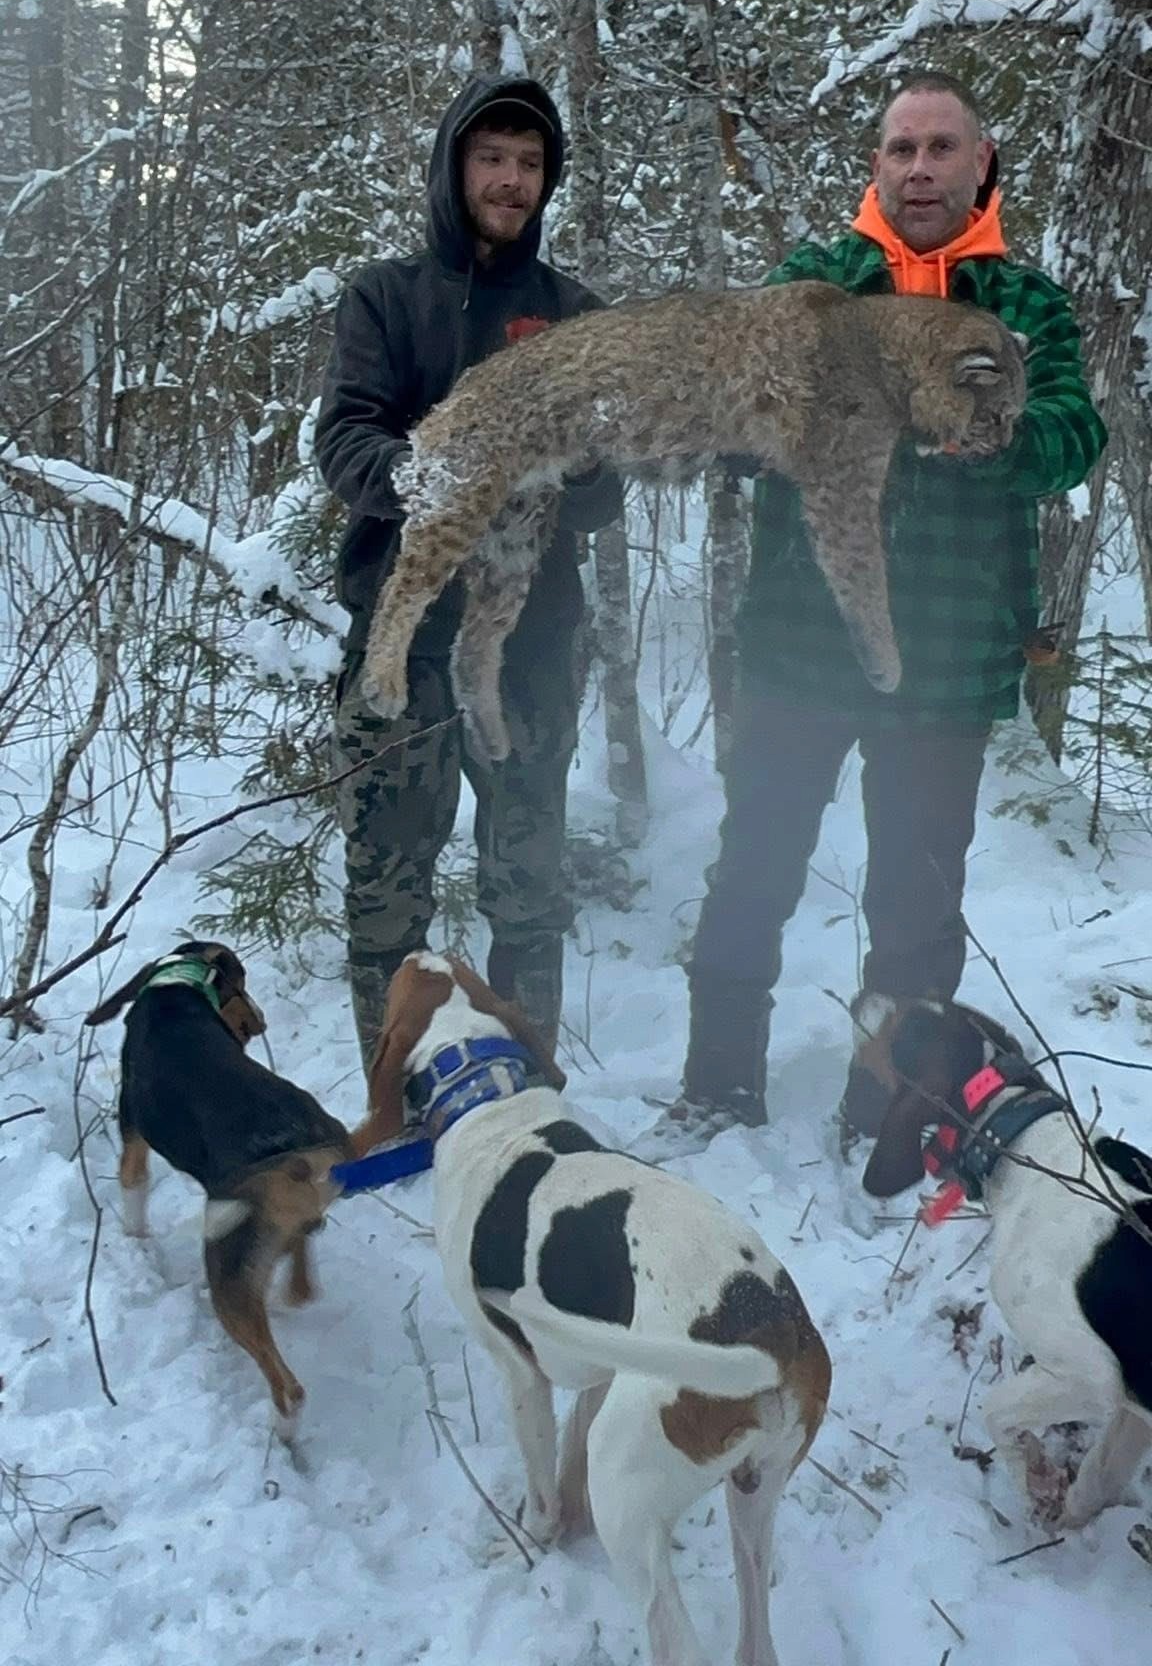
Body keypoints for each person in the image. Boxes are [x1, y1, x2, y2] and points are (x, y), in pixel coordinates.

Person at [669, 69, 1107, 1144]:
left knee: (916, 903)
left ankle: (889, 1115)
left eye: (941, 147)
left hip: (947, 657)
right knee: (754, 870)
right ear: (876, 165)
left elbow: (1073, 436)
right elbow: (731, 401)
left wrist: (998, 438)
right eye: (902, 148)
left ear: (980, 163)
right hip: (799, 641)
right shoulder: (818, 282)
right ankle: (717, 1089)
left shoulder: (1024, 304)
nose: (920, 167)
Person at [316, 76, 622, 1072]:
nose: (510, 179)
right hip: (400, 641)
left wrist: (577, 467)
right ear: (455, 168)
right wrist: (437, 479)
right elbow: (344, 438)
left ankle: (527, 1088)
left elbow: (605, 490)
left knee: (528, 888)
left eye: (530, 163)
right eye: (492, 157)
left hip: (527, 647)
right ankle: (394, 1098)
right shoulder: (386, 297)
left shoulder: (574, 314)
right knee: (387, 892)